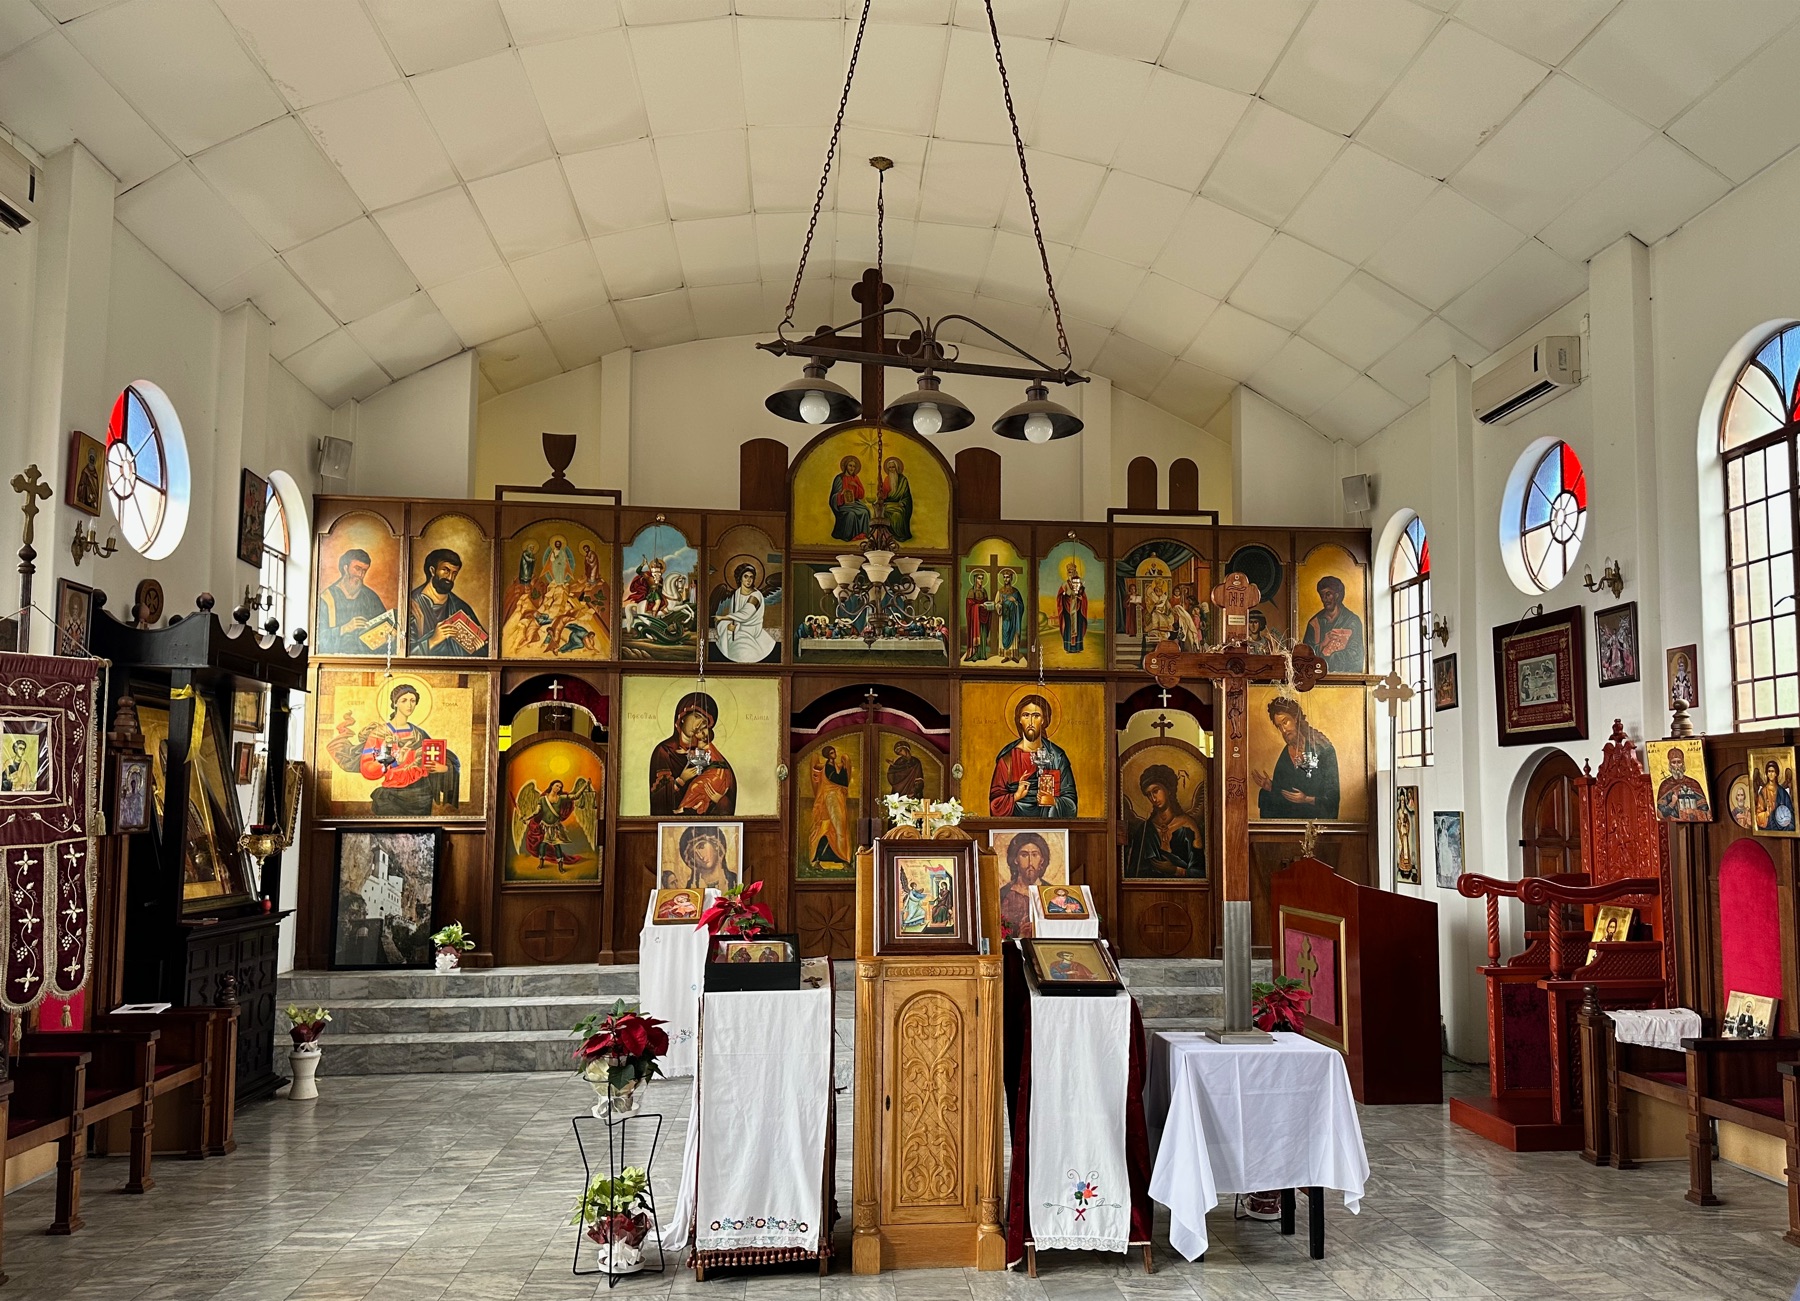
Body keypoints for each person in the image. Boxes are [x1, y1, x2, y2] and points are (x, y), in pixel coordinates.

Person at [323, 682, 458, 817]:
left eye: (413, 701)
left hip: (421, 796)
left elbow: (438, 759)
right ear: (395, 703)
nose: (409, 705)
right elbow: (367, 768)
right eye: (404, 700)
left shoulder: (420, 734)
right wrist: (395, 762)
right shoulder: (379, 733)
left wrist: (444, 769)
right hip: (392, 796)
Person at [988, 694, 1078, 818]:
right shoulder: (1007, 758)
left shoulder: (1057, 757)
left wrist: (1054, 801)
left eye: (1036, 716)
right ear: (1019, 719)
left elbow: (1071, 803)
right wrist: (1016, 796)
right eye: (1026, 715)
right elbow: (995, 805)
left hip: (1050, 828)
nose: (1030, 722)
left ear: (1043, 720)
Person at [647, 692, 736, 816]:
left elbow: (727, 795)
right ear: (682, 717)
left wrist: (719, 801)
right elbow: (657, 799)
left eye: (704, 721)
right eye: (696, 716)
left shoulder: (709, 754)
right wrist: (680, 780)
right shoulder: (664, 752)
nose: (699, 724)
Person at [1253, 696, 1339, 819]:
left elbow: (1332, 798)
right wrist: (1272, 787)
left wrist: (1306, 799)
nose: (1283, 730)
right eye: (1279, 726)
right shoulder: (1286, 753)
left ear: (1296, 718)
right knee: (1265, 795)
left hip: (1313, 816)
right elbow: (1285, 790)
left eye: (1285, 722)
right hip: (1291, 815)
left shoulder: (1323, 749)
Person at [1125, 763, 1204, 877]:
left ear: (1168, 790)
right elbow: (1134, 872)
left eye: (1156, 791)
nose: (1153, 798)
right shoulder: (1144, 830)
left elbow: (1200, 871)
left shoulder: (1188, 826)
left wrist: (1176, 870)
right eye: (1149, 794)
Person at [407, 547, 487, 656]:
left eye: (454, 573)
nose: (450, 577)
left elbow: (484, 650)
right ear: (432, 570)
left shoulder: (460, 607)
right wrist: (433, 640)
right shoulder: (412, 605)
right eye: (445, 571)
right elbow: (403, 651)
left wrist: (478, 645)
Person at [317, 548, 393, 653]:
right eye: (357, 569)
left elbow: (385, 627)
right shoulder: (327, 598)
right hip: (338, 661)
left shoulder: (370, 597)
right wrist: (345, 628)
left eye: (364, 571)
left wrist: (388, 636)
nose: (360, 575)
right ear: (345, 568)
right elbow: (319, 638)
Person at [713, 563, 776, 663]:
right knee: (723, 627)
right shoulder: (737, 593)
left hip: (751, 629)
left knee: (741, 650)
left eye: (751, 577)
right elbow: (733, 613)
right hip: (737, 627)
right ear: (740, 578)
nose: (749, 580)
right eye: (745, 576)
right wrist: (730, 627)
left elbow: (745, 614)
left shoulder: (756, 596)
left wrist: (723, 617)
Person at [1302, 576, 1364, 673]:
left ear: (1337, 595)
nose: (1324, 599)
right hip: (1317, 677)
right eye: (1322, 595)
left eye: (1328, 594)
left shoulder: (1352, 621)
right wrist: (1323, 644)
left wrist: (1331, 657)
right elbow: (1304, 656)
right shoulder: (1314, 623)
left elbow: (1356, 655)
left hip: (1344, 678)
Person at [805, 744, 852, 871]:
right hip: (829, 800)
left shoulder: (837, 766)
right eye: (831, 753)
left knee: (839, 829)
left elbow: (843, 780)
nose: (834, 754)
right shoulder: (826, 768)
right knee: (827, 829)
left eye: (834, 752)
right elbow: (836, 779)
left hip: (838, 800)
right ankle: (817, 860)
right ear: (827, 755)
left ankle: (843, 860)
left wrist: (843, 768)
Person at [998, 831, 1051, 938]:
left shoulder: (1050, 893)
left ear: (1042, 860)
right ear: (1016, 860)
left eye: (1035, 855)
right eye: (1024, 855)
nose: (1030, 862)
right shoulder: (1003, 894)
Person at [672, 823, 737, 892]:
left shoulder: (734, 881)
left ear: (716, 845)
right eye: (693, 854)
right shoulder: (690, 888)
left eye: (701, 847)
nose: (700, 856)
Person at [1655, 747, 1712, 821]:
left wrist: (1693, 812)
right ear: (1670, 764)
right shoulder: (1665, 785)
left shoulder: (1693, 783)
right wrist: (1672, 803)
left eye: (1679, 762)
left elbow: (1705, 810)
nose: (1677, 766)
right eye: (1673, 762)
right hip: (1673, 825)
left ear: (1683, 763)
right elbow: (1660, 814)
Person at [830, 455, 873, 542]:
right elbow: (833, 497)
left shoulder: (855, 478)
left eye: (854, 466)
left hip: (854, 503)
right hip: (843, 504)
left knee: (865, 511)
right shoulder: (839, 478)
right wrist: (841, 494)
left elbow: (861, 495)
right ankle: (848, 536)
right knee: (851, 514)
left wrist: (856, 486)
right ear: (846, 466)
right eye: (850, 465)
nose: (852, 468)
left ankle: (862, 534)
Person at [1056, 560, 1087, 654]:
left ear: (1075, 572)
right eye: (1069, 571)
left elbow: (1084, 597)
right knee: (1068, 627)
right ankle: (1068, 647)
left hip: (1077, 609)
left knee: (1078, 626)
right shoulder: (1064, 584)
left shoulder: (1079, 583)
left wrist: (1081, 598)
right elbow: (1059, 596)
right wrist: (1065, 594)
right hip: (1067, 609)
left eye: (1072, 571)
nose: (1070, 573)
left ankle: (1077, 647)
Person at [995, 569, 1026, 664]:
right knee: (1004, 634)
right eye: (1004, 577)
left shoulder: (1016, 592)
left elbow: (1021, 605)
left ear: (1011, 578)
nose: (1005, 579)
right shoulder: (1000, 592)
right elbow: (996, 603)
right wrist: (999, 606)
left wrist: (1015, 602)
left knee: (1014, 636)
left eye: (1007, 577)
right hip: (1004, 618)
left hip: (1013, 618)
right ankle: (1006, 656)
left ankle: (1013, 655)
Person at [880, 455, 913, 542]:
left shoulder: (903, 480)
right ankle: (886, 535)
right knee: (882, 512)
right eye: (889, 468)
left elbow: (907, 496)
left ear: (897, 468)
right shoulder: (887, 479)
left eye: (893, 467)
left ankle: (899, 535)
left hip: (899, 504)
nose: (891, 469)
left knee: (897, 514)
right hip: (888, 503)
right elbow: (884, 495)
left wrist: (903, 502)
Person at [963, 570, 993, 662]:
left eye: (982, 578)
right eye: (979, 578)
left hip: (983, 616)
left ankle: (982, 654)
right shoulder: (971, 591)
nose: (981, 580)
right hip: (975, 618)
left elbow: (986, 602)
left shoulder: (984, 591)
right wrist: (978, 606)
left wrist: (989, 605)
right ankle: (975, 654)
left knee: (983, 635)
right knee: (976, 634)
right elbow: (970, 605)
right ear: (975, 579)